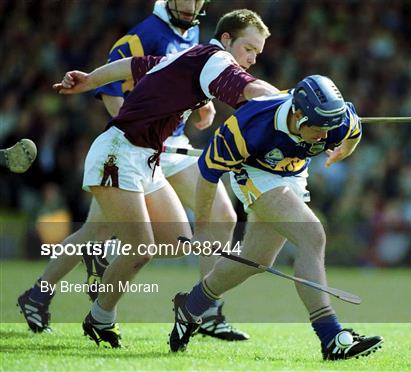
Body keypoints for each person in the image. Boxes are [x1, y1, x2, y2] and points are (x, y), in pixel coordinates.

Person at [29, 9, 278, 348]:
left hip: (146, 160)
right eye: (248, 49)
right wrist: (291, 105)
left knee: (177, 243)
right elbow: (252, 90)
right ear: (226, 40)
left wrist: (91, 79)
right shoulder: (216, 60)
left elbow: (135, 66)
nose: (251, 58)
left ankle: (110, 253)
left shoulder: (190, 57)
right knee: (140, 247)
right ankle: (101, 316)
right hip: (119, 154)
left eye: (257, 54)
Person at [168, 75, 383, 360]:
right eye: (317, 130)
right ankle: (331, 338)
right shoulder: (249, 125)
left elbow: (352, 133)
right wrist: (204, 226)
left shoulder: (336, 122)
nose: (324, 136)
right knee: (312, 233)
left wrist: (342, 153)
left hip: (293, 174)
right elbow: (208, 173)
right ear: (297, 114)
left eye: (329, 130)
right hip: (255, 174)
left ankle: (191, 306)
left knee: (254, 261)